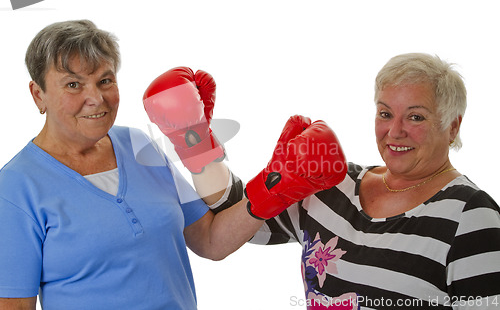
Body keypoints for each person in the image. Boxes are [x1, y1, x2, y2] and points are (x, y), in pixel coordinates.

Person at [189, 53, 500, 309]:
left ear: (452, 127)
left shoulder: (471, 215)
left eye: (416, 117)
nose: (394, 131)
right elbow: (236, 218)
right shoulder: (334, 185)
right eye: (385, 113)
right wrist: (194, 138)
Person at [0, 19, 270, 310]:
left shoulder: (138, 144)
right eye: (73, 85)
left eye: (105, 80)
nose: (96, 98)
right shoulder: (15, 187)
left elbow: (210, 240)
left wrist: (276, 186)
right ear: (38, 94)